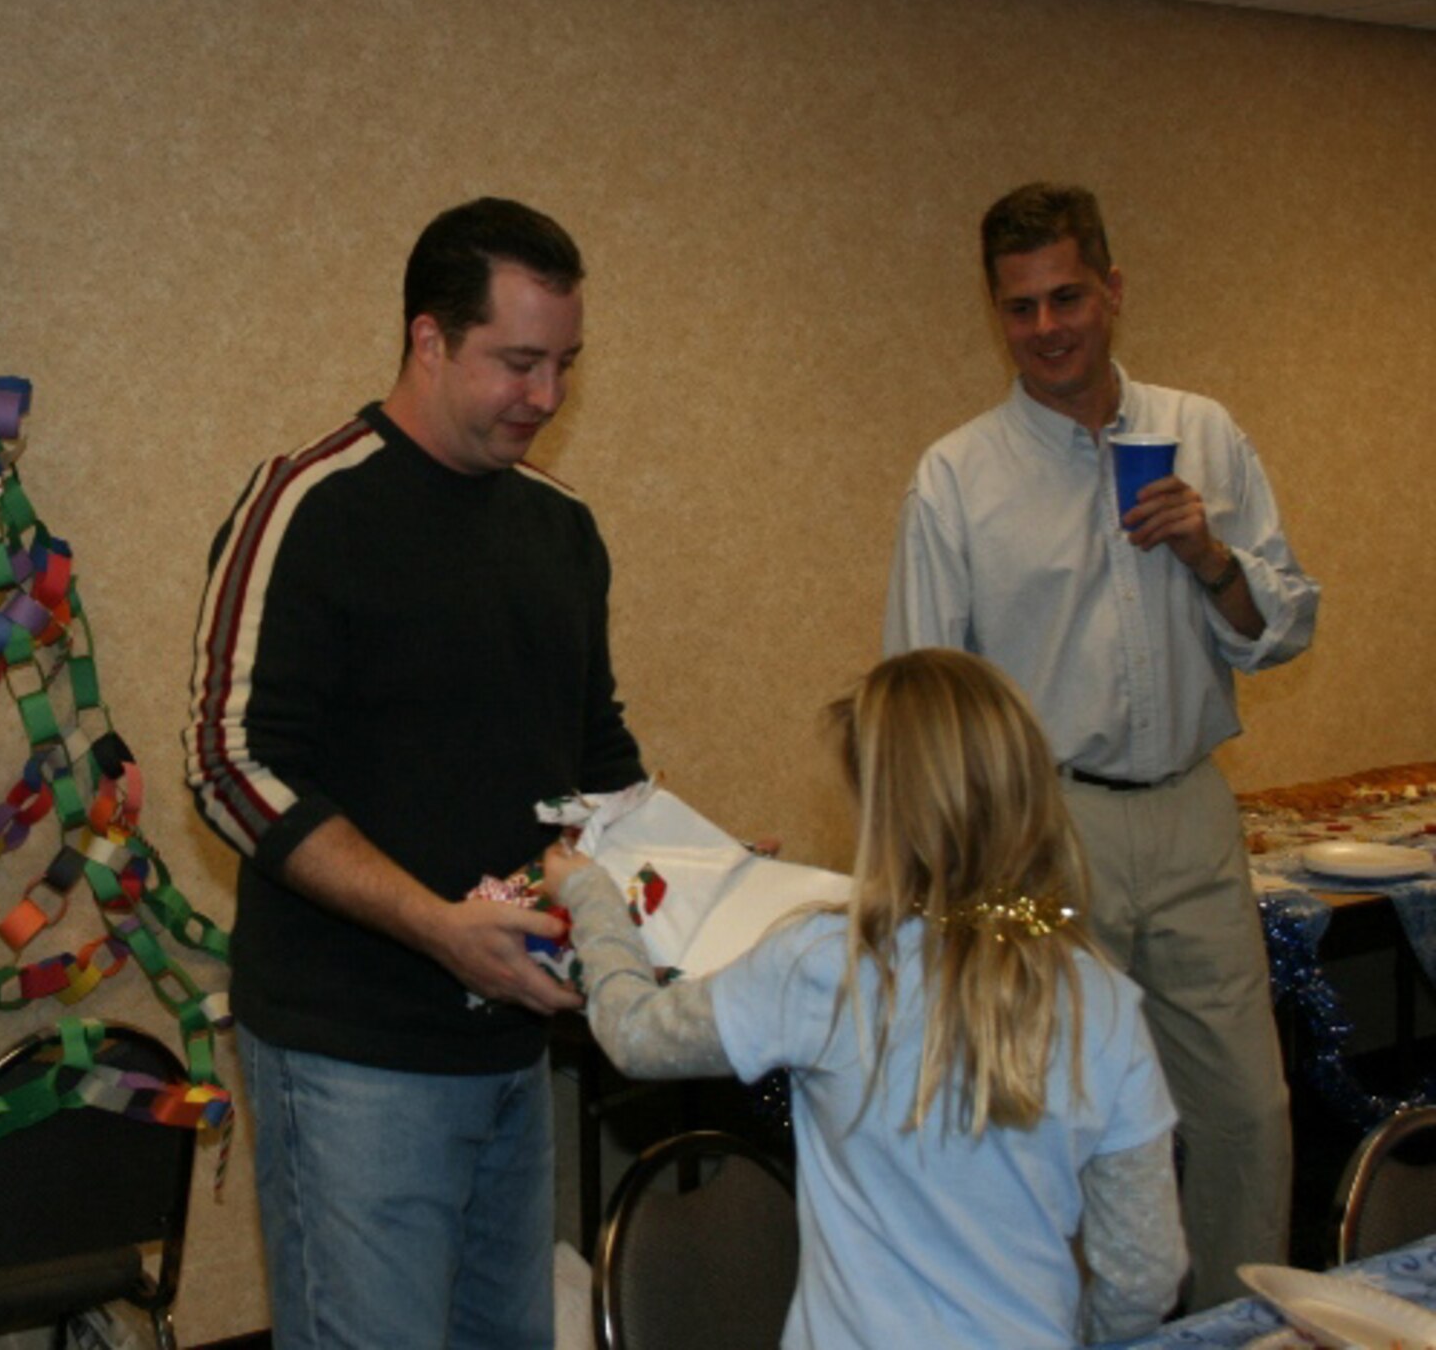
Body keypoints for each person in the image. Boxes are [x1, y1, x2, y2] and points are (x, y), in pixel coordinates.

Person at [183, 197, 644, 1350]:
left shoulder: (561, 530)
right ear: (427, 338)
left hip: (511, 1041)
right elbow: (230, 764)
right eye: (517, 362)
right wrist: (434, 924)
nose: (544, 397)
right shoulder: (307, 502)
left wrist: (692, 863)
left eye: (563, 366)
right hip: (352, 1055)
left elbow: (596, 762)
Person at [884, 182, 1320, 1308]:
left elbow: (1283, 628)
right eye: (1018, 307)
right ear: (996, 314)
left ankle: (1231, 1328)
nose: (1045, 329)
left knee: (1245, 1111)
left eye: (1065, 296)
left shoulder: (1201, 432)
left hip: (1188, 811)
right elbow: (923, 702)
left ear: (1111, 290)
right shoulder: (957, 476)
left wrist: (1210, 556)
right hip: (1042, 831)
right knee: (1066, 1126)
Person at [534, 648, 1187, 1346]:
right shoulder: (1105, 1002)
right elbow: (1145, 1273)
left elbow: (635, 1034)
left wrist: (592, 898)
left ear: (889, 812)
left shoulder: (827, 966)